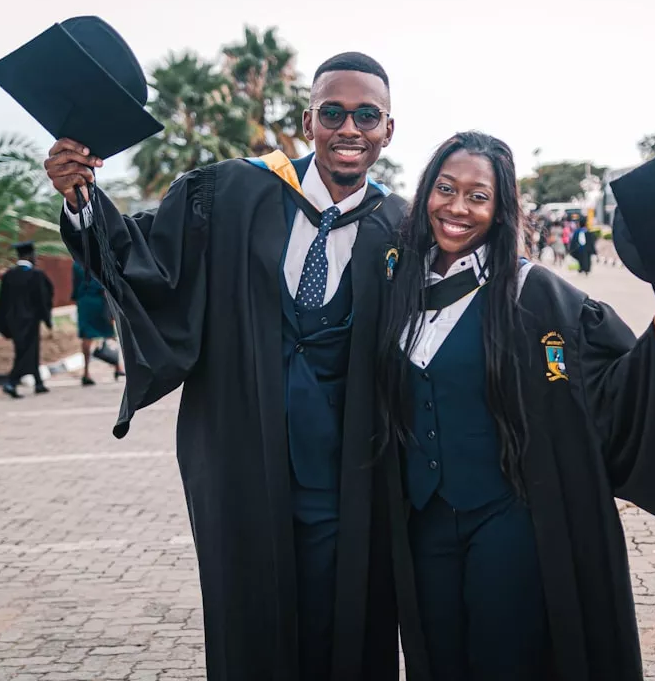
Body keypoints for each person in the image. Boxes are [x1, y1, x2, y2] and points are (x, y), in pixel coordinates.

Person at [46, 53, 407, 680]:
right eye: (333, 113)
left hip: (349, 471)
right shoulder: (233, 192)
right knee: (249, 614)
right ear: (308, 121)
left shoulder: (403, 226)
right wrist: (82, 198)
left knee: (344, 615)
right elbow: (149, 264)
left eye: (366, 115)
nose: (349, 128)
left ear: (387, 130)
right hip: (242, 456)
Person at [376, 132, 655, 680]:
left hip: (506, 522)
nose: (457, 207)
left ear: (500, 209)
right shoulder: (396, 284)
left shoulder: (536, 297)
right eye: (446, 189)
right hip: (423, 525)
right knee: (440, 661)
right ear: (426, 194)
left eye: (478, 196)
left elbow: (603, 392)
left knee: (505, 662)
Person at [0, 241, 54, 398]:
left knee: (27, 350)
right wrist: (47, 319)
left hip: (13, 321)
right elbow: (43, 299)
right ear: (29, 256)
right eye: (34, 255)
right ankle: (11, 382)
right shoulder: (36, 275)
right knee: (26, 353)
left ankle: (38, 383)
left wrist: (1, 324)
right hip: (30, 321)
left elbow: (2, 301)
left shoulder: (9, 275)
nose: (35, 258)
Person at [71, 260, 124, 385]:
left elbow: (75, 285)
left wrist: (77, 298)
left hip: (84, 302)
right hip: (100, 301)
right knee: (109, 334)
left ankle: (86, 372)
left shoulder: (77, 264)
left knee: (87, 336)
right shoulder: (99, 260)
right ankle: (118, 367)